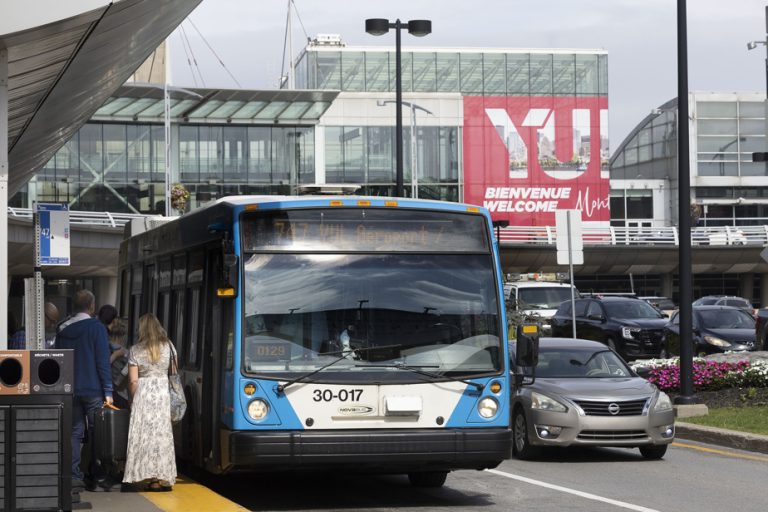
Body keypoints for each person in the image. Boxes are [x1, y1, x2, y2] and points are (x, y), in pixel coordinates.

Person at [55, 290, 113, 499]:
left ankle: (73, 476)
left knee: (74, 433)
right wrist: (108, 390)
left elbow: (57, 362)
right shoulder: (97, 329)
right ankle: (97, 475)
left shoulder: (62, 329)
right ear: (91, 307)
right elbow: (102, 361)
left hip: (69, 390)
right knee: (98, 432)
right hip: (94, 390)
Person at [123, 313, 177, 492]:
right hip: (162, 393)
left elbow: (132, 381)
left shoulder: (135, 350)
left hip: (143, 394)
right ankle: (162, 477)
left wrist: (133, 399)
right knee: (161, 435)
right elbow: (174, 374)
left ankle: (147, 476)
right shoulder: (169, 347)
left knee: (145, 436)